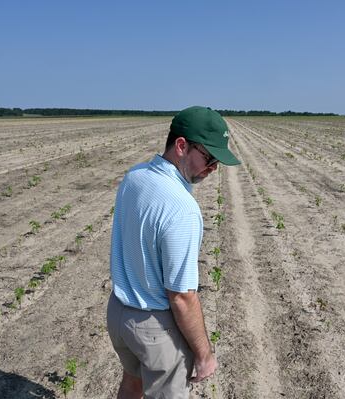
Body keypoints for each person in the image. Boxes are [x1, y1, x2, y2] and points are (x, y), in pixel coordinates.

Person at [106, 106, 241, 398]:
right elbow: (181, 296)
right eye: (209, 157)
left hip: (119, 314)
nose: (213, 167)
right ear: (181, 145)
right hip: (154, 329)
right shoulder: (181, 209)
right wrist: (204, 355)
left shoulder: (135, 176)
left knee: (133, 382)